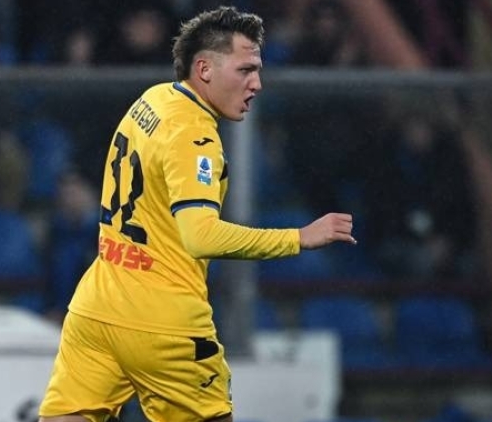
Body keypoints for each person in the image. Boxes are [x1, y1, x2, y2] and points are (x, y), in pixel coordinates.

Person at [38, 6, 356, 422]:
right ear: (204, 69)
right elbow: (200, 235)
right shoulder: (195, 136)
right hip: (163, 321)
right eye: (245, 70)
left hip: (98, 304)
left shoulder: (152, 100)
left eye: (257, 71)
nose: (257, 83)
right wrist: (297, 237)